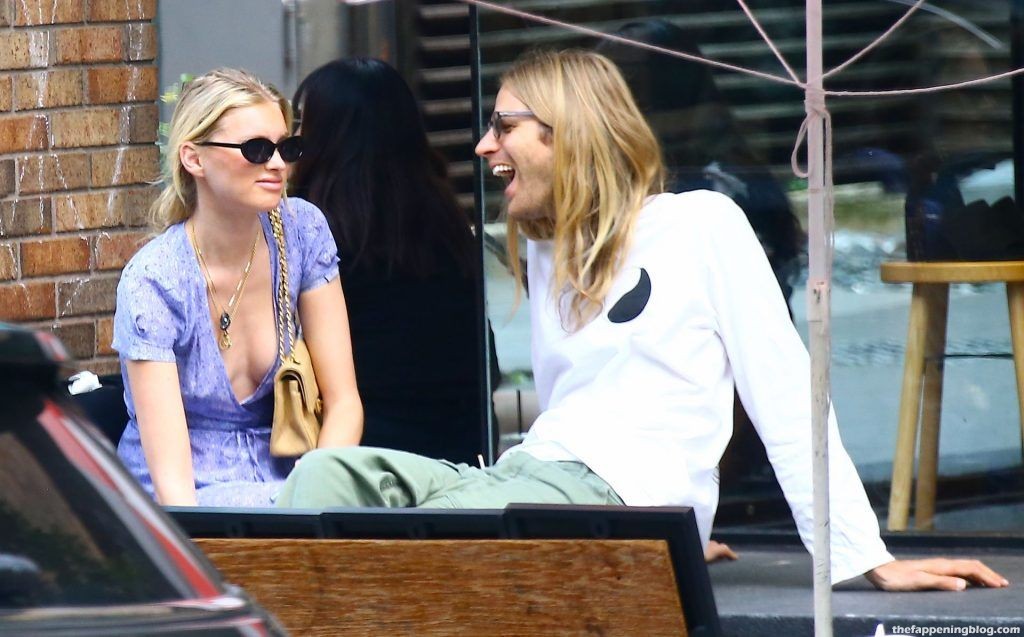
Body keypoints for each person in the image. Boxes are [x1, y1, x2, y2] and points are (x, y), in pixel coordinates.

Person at [276, 50, 1007, 591]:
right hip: (536, 477)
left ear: (567, 132)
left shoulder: (700, 224)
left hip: (607, 495)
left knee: (388, 541)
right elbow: (574, 404)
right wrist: (675, 536)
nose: (482, 145)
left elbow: (786, 393)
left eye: (503, 125)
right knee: (326, 474)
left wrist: (861, 553)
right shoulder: (548, 249)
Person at [113, 68, 363, 507]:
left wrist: (317, 500)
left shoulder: (302, 230)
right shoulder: (155, 280)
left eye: (286, 147)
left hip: (292, 480)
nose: (277, 164)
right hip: (189, 494)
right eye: (256, 149)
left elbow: (344, 403)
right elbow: (175, 492)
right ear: (194, 159)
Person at [289, 58, 497, 465]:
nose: (291, 141)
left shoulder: (312, 232)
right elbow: (484, 364)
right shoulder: (445, 225)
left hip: (359, 458)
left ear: (326, 136)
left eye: (301, 125)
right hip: (459, 455)